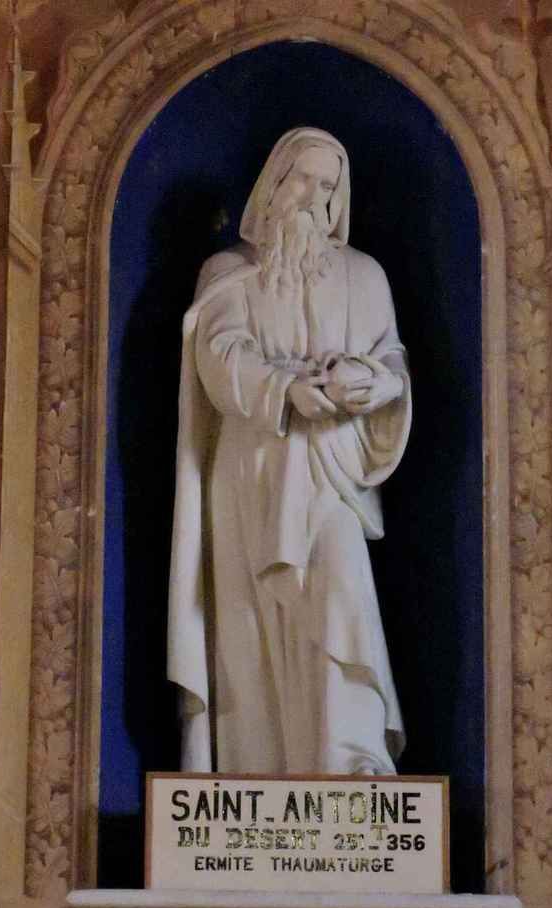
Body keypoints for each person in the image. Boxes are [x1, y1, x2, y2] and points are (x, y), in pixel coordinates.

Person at [168, 127, 411, 775]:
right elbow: (219, 355)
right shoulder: (229, 273)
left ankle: (348, 761)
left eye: (328, 186)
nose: (313, 197)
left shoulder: (363, 276)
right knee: (251, 622)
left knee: (339, 588)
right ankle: (255, 773)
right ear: (274, 182)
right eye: (303, 178)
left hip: (331, 472)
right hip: (253, 469)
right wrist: (284, 388)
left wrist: (372, 383)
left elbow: (391, 358)